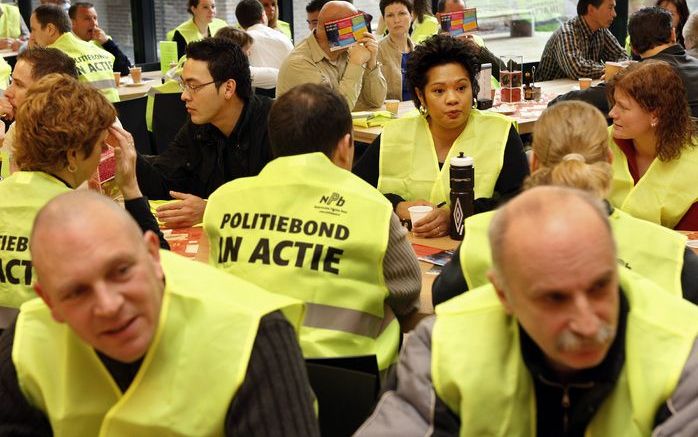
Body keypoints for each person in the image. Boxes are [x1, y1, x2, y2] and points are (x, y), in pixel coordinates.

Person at [356, 185, 698, 436]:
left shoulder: (684, 351)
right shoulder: (444, 346)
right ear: (503, 293)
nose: (585, 322)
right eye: (554, 299)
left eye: (599, 287)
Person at [0, 190, 320, 436]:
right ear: (50, 301)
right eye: (77, 292)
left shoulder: (255, 333)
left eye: (121, 271)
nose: (109, 306)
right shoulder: (25, 341)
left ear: (154, 255)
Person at [204, 83, 421, 374]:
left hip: (243, 374)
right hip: (347, 387)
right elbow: (407, 293)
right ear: (346, 147)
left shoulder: (223, 201)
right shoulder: (372, 206)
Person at [433, 101, 698, 307]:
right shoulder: (669, 251)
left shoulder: (484, 236)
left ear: (534, 163)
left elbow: (444, 305)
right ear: (608, 161)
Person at [0, 74, 164, 331]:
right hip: (59, 350)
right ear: (74, 155)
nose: (102, 155)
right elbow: (162, 275)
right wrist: (131, 188)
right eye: (100, 146)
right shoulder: (82, 217)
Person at [353, 34, 528, 238]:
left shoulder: (501, 132)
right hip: (406, 253)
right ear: (420, 96)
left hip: (476, 252)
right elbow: (354, 191)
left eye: (461, 88)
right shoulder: (395, 135)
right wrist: (396, 205)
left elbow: (521, 203)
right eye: (438, 91)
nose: (452, 99)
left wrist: (457, 215)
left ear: (474, 88)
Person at [136, 37, 273, 229]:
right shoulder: (200, 126)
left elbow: (286, 201)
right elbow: (165, 181)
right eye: (184, 85)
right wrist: (128, 155)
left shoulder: (275, 124)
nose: (184, 95)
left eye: (194, 86)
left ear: (228, 88)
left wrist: (212, 209)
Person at [550, 7, 698, 118]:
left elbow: (568, 102)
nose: (614, 13)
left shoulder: (639, 78)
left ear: (632, 46)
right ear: (673, 35)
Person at [607, 60, 698, 230]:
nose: (612, 113)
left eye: (623, 107)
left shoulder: (693, 163)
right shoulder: (601, 141)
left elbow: (691, 240)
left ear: (655, 115)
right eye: (614, 103)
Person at [276, 1, 387, 111]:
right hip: (311, 128)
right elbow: (334, 113)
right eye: (354, 24)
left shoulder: (349, 50)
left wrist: (372, 62)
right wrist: (355, 64)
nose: (361, 31)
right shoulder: (299, 63)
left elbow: (376, 101)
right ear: (331, 30)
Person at [0, 47, 79, 177]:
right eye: (11, 81)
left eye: (19, 85)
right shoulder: (18, 128)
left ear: (50, 94)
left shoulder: (90, 136)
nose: (7, 92)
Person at [29, 4, 119, 102]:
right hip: (113, 114)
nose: (32, 36)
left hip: (85, 116)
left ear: (50, 29)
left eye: (33, 30)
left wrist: (31, 53)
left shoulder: (50, 57)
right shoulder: (96, 49)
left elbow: (35, 98)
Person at [538, 0, 628, 81]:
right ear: (591, 9)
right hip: (549, 94)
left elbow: (621, 55)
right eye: (610, 7)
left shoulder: (601, 30)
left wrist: (616, 69)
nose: (614, 14)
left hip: (574, 91)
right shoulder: (567, 32)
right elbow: (577, 69)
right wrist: (611, 70)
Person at [69, 2, 132, 76]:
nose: (94, 23)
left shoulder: (104, 41)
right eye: (87, 19)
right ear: (72, 22)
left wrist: (107, 43)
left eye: (95, 18)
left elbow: (126, 69)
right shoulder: (66, 44)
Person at [235, 0, 293, 71]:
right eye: (266, 5)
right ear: (263, 16)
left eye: (273, 4)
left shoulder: (239, 44)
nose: (271, 8)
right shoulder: (283, 37)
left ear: (240, 23)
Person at [378, 0, 414, 101]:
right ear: (384, 20)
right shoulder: (376, 51)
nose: (397, 20)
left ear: (411, 15)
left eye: (402, 13)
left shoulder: (420, 50)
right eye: (390, 15)